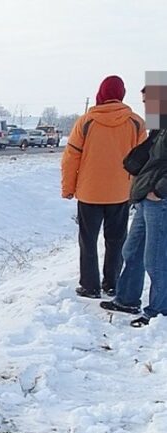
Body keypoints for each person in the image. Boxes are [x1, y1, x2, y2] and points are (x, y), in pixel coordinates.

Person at [61, 75, 146, 299]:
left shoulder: (86, 121)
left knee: (88, 240)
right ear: (122, 94)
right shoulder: (136, 122)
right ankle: (112, 283)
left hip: (90, 192)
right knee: (117, 240)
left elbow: (71, 157)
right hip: (120, 192)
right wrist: (139, 192)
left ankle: (90, 286)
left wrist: (68, 187)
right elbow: (143, 161)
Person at [105, 80, 166, 327]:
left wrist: (160, 191)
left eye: (149, 102)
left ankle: (159, 311)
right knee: (132, 250)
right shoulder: (160, 127)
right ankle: (127, 299)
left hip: (159, 200)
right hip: (146, 198)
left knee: (156, 258)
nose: (146, 108)